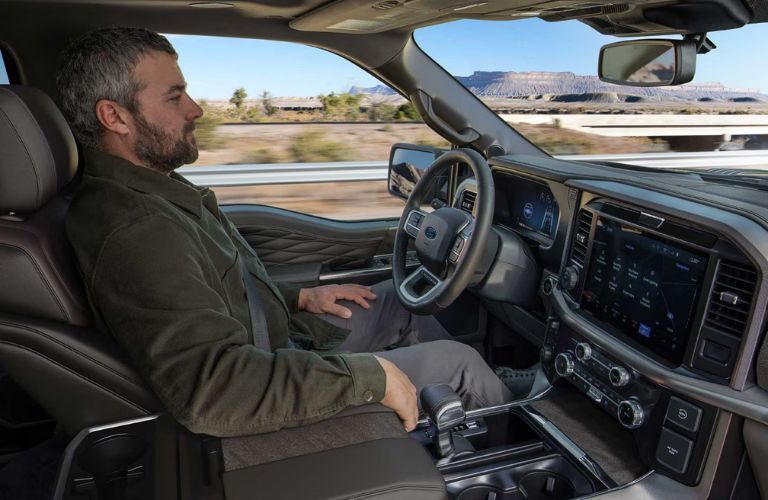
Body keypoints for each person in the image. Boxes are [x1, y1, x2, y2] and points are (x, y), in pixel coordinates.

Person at [59, 27, 522, 437]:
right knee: (459, 364)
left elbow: (213, 289)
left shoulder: (150, 187)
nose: (196, 110)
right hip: (263, 376)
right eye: (175, 97)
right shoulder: (136, 229)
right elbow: (215, 390)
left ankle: (446, 417)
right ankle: (517, 436)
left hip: (280, 341)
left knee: (400, 300)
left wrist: (299, 298)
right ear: (114, 117)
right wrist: (369, 379)